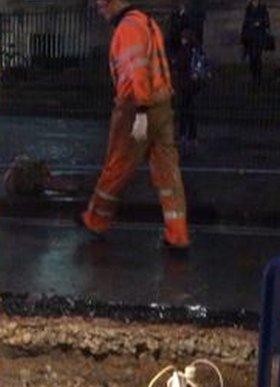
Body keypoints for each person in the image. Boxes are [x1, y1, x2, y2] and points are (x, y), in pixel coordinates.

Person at [78, 0, 190, 249]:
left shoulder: (127, 29)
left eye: (102, 4)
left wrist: (139, 111)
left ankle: (96, 219)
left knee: (118, 164)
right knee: (167, 172)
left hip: (136, 107)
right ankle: (178, 233)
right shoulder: (147, 22)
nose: (100, 8)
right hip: (162, 106)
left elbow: (135, 71)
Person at [172, 29, 205, 149]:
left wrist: (175, 63)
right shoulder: (195, 49)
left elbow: (180, 64)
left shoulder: (185, 50)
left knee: (184, 111)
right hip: (193, 85)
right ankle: (192, 136)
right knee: (190, 111)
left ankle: (183, 135)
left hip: (185, 84)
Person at [240, 0, 271, 88]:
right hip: (250, 37)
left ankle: (257, 76)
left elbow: (267, 22)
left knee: (257, 56)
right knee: (252, 57)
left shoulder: (262, 9)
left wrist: (260, 23)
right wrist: (243, 37)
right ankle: (254, 75)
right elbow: (245, 23)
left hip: (258, 37)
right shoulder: (248, 9)